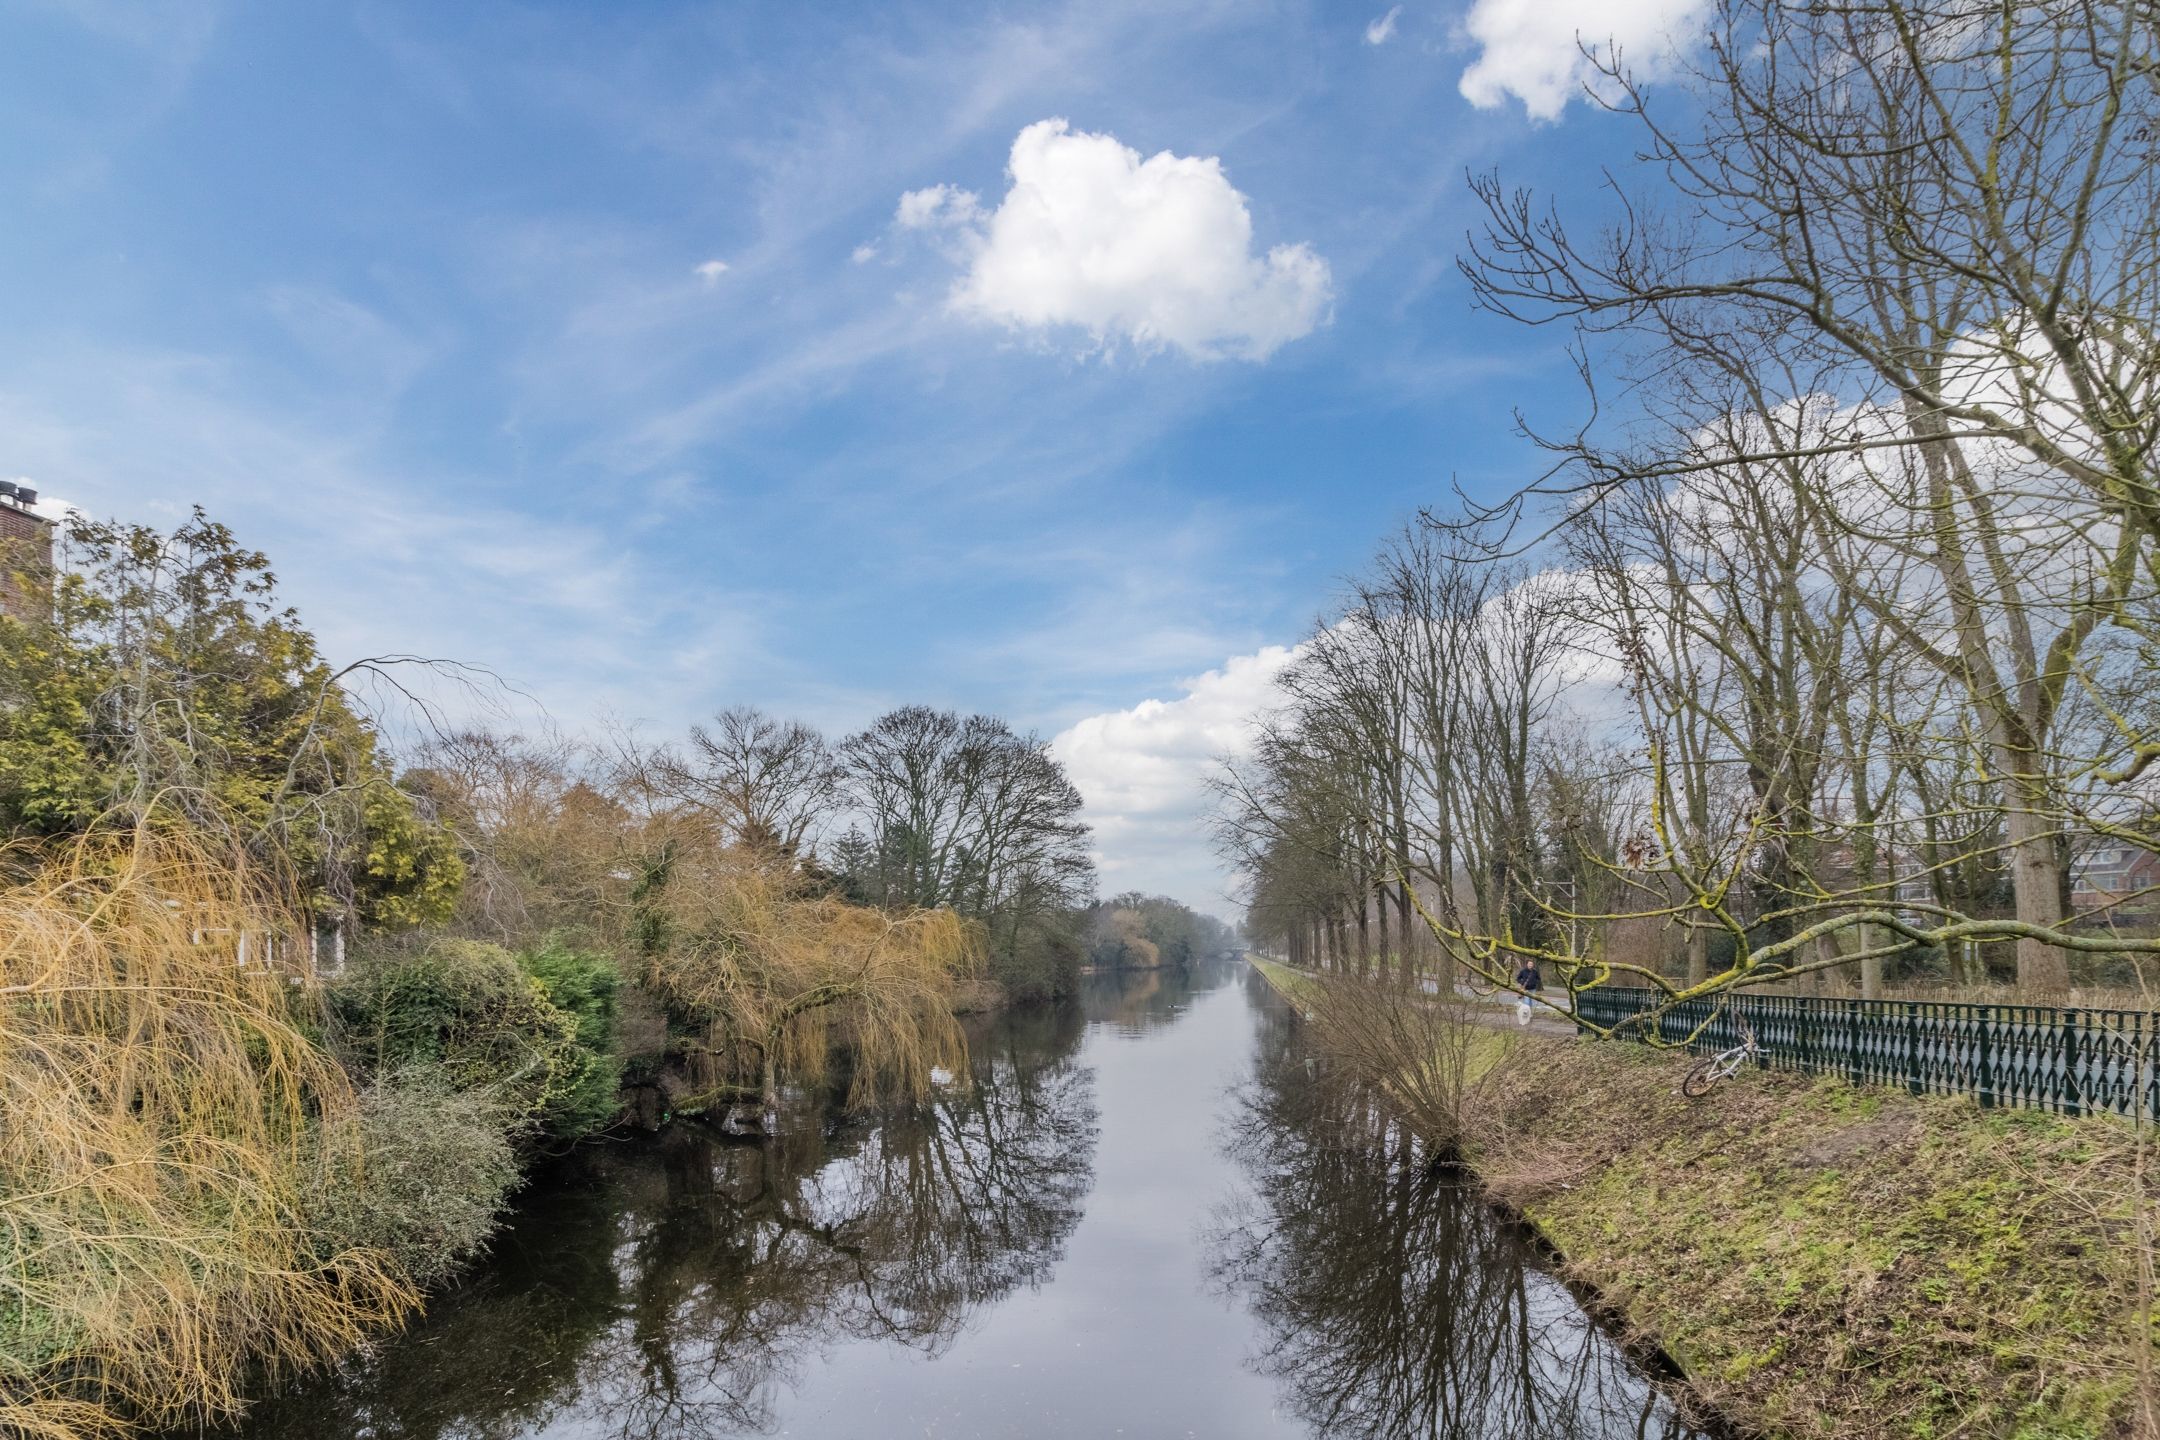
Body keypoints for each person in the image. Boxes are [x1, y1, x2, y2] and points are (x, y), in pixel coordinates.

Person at [1513, 960, 1542, 1026]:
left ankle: (1530, 1014)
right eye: (1529, 964)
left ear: (1533, 965)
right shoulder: (1523, 971)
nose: (1530, 965)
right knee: (1527, 1002)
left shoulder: (1535, 971)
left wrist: (1535, 982)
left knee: (1531, 1002)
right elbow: (1518, 978)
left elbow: (1538, 978)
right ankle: (1525, 1014)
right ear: (1527, 964)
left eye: (1531, 964)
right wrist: (1522, 982)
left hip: (1533, 989)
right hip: (1525, 989)